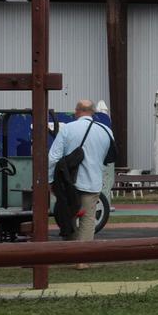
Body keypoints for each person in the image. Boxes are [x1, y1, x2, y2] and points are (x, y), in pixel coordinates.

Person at [47, 101, 114, 256]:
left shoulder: (67, 129)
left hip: (67, 182)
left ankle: (70, 252)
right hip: (93, 181)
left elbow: (53, 157)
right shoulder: (106, 130)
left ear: (77, 111)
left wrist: (50, 180)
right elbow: (109, 157)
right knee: (88, 219)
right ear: (93, 112)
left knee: (66, 215)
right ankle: (82, 258)